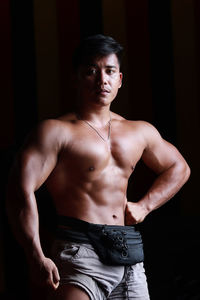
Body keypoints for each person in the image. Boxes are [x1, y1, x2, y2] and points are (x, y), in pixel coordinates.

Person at [6, 34, 190, 300]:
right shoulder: (55, 132)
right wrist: (36, 255)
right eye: (91, 71)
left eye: (109, 71)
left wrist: (145, 205)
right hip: (80, 254)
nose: (102, 80)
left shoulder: (139, 131)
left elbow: (179, 167)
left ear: (119, 80)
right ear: (77, 78)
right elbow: (19, 192)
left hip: (129, 257)